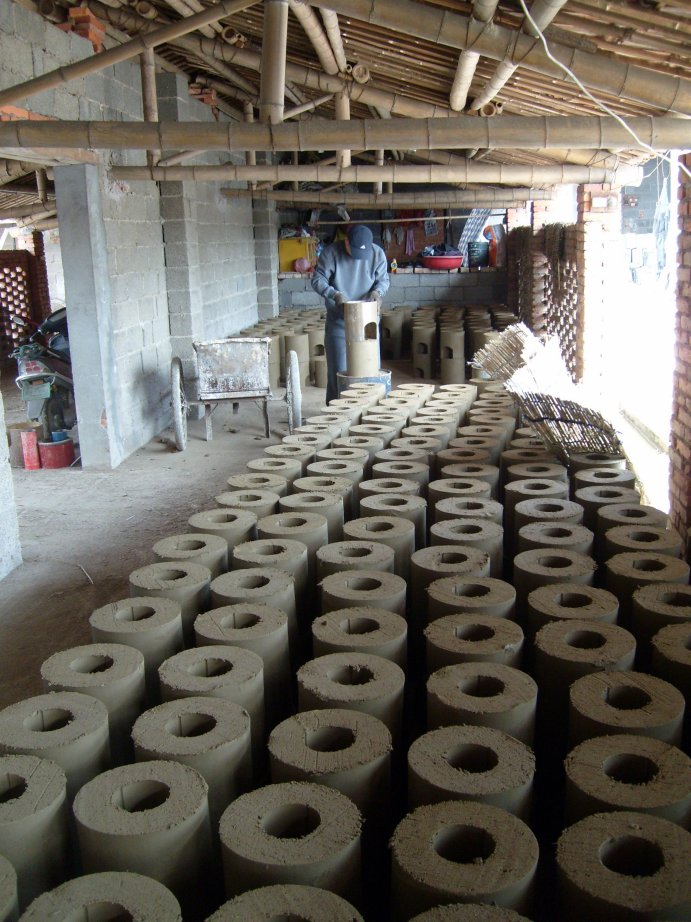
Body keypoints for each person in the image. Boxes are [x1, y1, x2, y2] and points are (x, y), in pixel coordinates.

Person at [311, 224, 390, 403]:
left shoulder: (377, 254)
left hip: (368, 321)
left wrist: (377, 293)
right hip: (340, 320)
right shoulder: (330, 254)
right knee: (339, 371)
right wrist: (335, 294)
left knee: (369, 370)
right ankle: (336, 412)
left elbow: (384, 280)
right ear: (346, 241)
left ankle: (367, 413)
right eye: (353, 250)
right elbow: (317, 279)